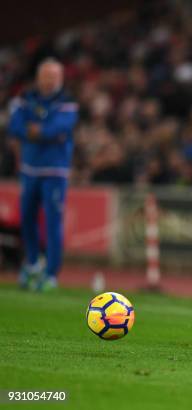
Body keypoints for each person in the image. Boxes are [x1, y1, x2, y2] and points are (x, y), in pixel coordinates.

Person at [8, 58, 78, 291]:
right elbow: (14, 126)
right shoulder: (26, 97)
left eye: (54, 76)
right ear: (39, 77)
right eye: (46, 75)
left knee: (52, 220)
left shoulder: (67, 100)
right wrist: (41, 131)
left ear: (60, 78)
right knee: (26, 217)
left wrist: (37, 130)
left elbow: (60, 128)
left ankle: (51, 273)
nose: (49, 80)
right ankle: (32, 263)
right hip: (29, 168)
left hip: (55, 170)